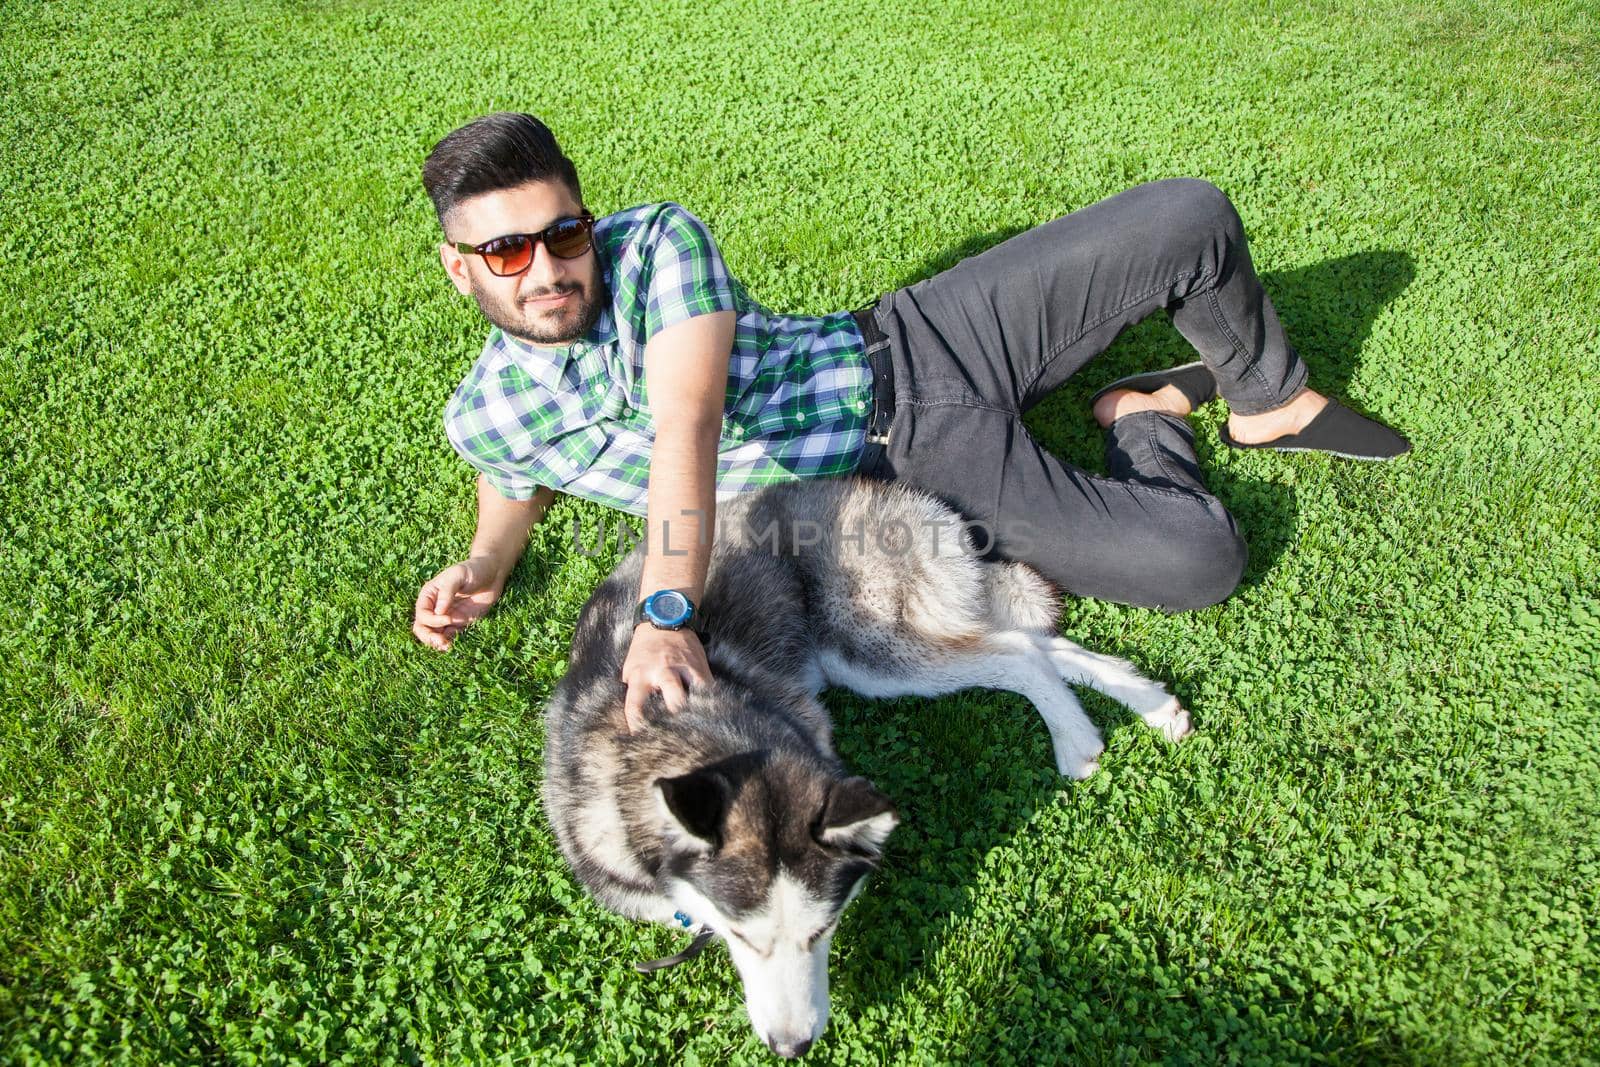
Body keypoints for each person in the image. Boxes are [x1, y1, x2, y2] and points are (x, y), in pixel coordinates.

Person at [410, 112, 1409, 729]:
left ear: (589, 219)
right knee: (1199, 561)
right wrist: (486, 564)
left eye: (562, 233)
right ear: (460, 269)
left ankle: (1271, 399)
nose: (546, 268)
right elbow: (513, 473)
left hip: (914, 341)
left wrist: (663, 610)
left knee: (1185, 216)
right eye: (504, 252)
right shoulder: (491, 411)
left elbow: (687, 421)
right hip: (907, 479)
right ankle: (1143, 411)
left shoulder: (656, 242)